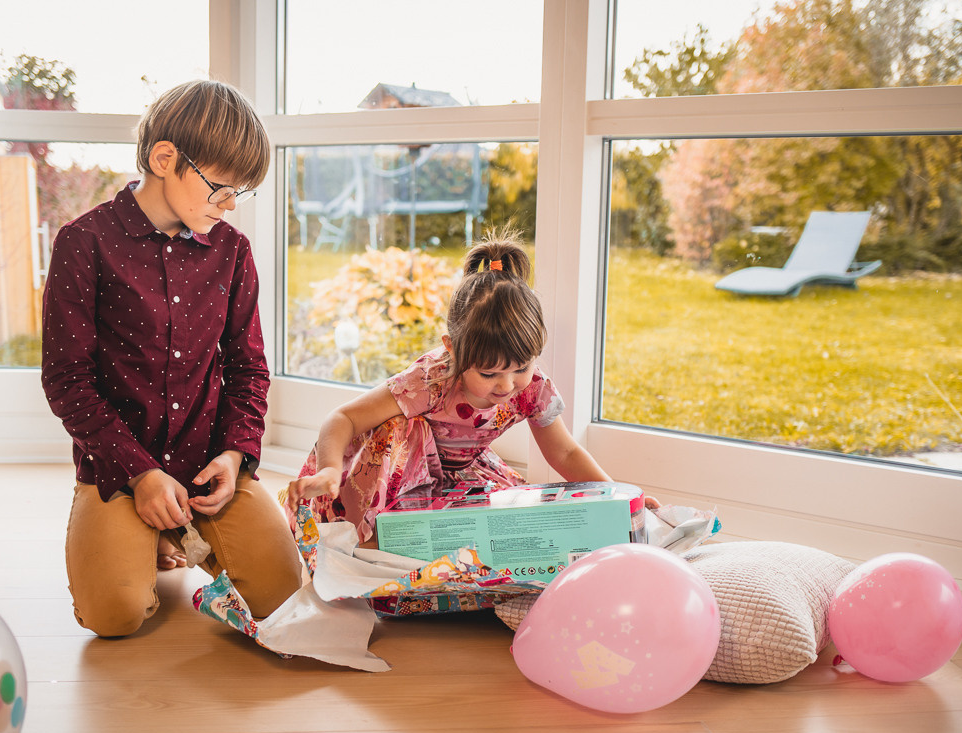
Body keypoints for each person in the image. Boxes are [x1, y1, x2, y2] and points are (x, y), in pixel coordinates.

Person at [41, 80, 303, 637]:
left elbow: (249, 368)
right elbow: (67, 380)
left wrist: (235, 455)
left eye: (241, 192)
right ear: (165, 159)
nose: (230, 205)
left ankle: (181, 530)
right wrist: (140, 475)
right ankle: (148, 531)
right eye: (221, 189)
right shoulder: (83, 242)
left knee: (282, 592)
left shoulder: (233, 251)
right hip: (120, 464)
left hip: (207, 459)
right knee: (114, 617)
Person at [285, 232, 657, 543]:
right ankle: (375, 542)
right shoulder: (430, 381)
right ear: (452, 349)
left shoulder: (533, 388)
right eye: (489, 373)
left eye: (521, 367)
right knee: (401, 428)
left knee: (512, 526)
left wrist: (618, 497)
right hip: (384, 474)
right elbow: (344, 418)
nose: (507, 385)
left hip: (460, 471)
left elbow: (564, 452)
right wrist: (328, 470)